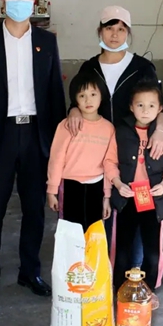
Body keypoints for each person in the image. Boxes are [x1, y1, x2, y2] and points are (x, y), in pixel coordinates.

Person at [0, 0, 67, 307]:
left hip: (36, 134)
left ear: (34, 1)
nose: (19, 0)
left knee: (34, 209)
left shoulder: (46, 42)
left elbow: (55, 93)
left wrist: (58, 141)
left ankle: (30, 272)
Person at [66, 5, 163, 268]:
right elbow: (78, 99)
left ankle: (132, 275)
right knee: (100, 209)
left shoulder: (142, 67)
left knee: (133, 210)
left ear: (129, 33)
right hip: (96, 149)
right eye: (109, 28)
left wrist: (160, 130)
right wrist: (73, 109)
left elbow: (160, 107)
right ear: (100, 31)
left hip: (132, 151)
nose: (115, 34)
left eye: (121, 29)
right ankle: (99, 270)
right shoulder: (89, 68)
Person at [105, 81, 163, 309]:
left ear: (160, 109)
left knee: (152, 248)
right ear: (131, 107)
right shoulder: (120, 133)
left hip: (153, 199)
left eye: (151, 105)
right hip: (127, 198)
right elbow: (109, 161)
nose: (146, 110)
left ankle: (149, 289)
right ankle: (119, 288)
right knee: (122, 247)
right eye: (140, 105)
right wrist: (118, 183)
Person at [46, 71, 115, 231]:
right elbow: (56, 159)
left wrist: (107, 196)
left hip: (97, 186)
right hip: (70, 186)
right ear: (75, 99)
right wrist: (52, 190)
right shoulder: (66, 126)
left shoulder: (109, 128)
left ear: (102, 96)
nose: (88, 100)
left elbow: (110, 163)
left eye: (93, 94)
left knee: (94, 234)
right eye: (82, 95)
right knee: (70, 233)